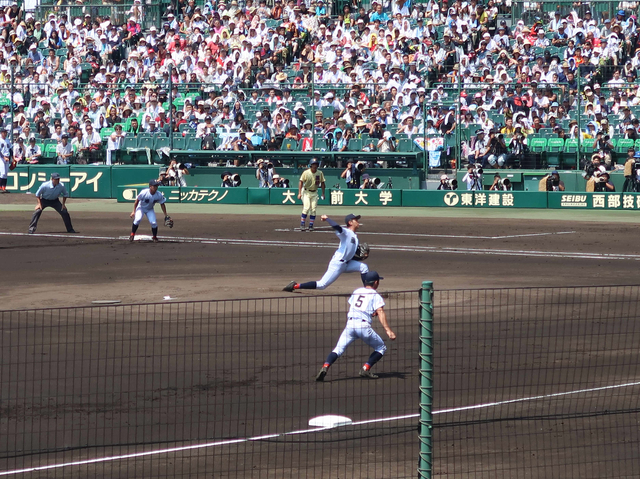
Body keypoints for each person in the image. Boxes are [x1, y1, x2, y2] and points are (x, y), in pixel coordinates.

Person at [315, 271, 396, 381]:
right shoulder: (375, 295)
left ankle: (325, 366)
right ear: (376, 282)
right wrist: (388, 330)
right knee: (381, 347)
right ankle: (365, 369)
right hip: (363, 327)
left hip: (350, 325)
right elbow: (380, 312)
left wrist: (371, 313)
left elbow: (357, 307)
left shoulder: (357, 291)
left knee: (338, 349)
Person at [283, 213, 369, 292]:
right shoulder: (346, 233)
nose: (358, 222)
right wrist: (327, 219)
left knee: (364, 267)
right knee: (322, 285)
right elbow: (336, 226)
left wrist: (359, 258)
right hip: (337, 264)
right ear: (350, 222)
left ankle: (368, 291)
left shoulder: (355, 236)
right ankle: (295, 286)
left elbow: (349, 253)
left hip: (347, 263)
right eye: (356, 220)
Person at [129, 179, 169, 243]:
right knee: (137, 220)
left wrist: (165, 215)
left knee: (153, 223)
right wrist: (134, 211)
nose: (156, 187)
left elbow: (162, 204)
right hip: (141, 208)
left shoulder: (158, 194)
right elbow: (137, 201)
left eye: (157, 186)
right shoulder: (144, 192)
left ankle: (154, 237)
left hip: (150, 209)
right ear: (150, 186)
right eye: (154, 186)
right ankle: (132, 234)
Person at [297, 158, 325, 232]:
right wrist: (299, 193)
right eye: (313, 164)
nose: (314, 166)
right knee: (306, 207)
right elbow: (301, 182)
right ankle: (302, 224)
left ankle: (311, 225)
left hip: (314, 192)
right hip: (306, 192)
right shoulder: (306, 173)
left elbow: (322, 183)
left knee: (313, 209)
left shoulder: (319, 173)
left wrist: (323, 193)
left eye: (315, 164)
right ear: (310, 165)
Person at [0, 128, 10, 192]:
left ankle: (4, 188)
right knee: (3, 173)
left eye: (6, 132)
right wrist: (3, 157)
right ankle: (0, 187)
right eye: (4, 132)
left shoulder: (7, 140)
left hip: (7, 157)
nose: (5, 133)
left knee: (6, 174)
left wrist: (13, 158)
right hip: (1, 158)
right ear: (1, 133)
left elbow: (10, 149)